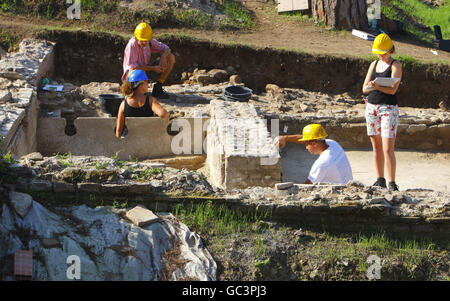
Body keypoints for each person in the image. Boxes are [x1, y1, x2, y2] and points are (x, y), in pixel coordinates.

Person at [362, 33, 402, 191]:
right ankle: (380, 179)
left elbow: (393, 90)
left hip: (388, 109)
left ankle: (392, 182)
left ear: (389, 50)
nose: (380, 55)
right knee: (376, 147)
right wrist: (374, 85)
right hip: (372, 107)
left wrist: (378, 86)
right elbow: (364, 88)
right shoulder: (373, 64)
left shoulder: (395, 65)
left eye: (383, 52)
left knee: (387, 148)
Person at [274, 124, 353, 185]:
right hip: (347, 186)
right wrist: (285, 138)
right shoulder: (333, 144)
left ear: (314, 143)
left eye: (306, 144)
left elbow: (306, 187)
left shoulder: (322, 163)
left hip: (339, 195)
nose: (306, 147)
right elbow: (306, 138)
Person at [122, 22, 176, 99]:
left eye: (146, 40)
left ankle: (158, 87)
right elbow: (133, 67)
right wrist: (153, 68)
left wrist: (164, 56)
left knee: (171, 57)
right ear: (136, 37)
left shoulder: (150, 41)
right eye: (142, 40)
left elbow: (167, 49)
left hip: (146, 70)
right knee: (138, 72)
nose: (144, 42)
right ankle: (136, 92)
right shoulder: (132, 45)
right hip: (133, 75)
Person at [116, 69, 170, 138]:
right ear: (141, 85)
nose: (148, 84)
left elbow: (118, 130)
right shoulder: (150, 100)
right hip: (147, 140)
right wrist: (169, 115)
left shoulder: (123, 104)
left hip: (131, 142)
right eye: (147, 82)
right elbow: (163, 114)